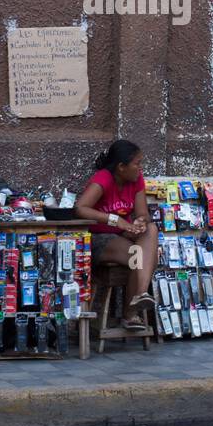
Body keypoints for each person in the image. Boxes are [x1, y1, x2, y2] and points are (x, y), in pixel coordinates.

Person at [73, 139, 157, 330]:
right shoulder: (103, 178)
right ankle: (130, 314)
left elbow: (143, 213)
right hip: (99, 239)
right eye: (137, 163)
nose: (140, 167)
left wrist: (140, 222)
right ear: (121, 167)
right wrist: (115, 220)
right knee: (140, 255)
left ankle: (141, 294)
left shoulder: (136, 179)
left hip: (124, 235)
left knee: (151, 230)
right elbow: (80, 208)